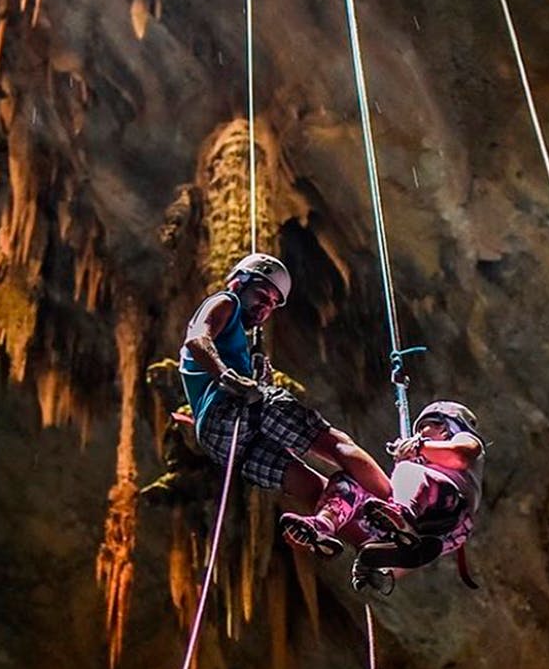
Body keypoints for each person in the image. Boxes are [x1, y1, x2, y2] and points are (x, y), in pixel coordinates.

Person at [179, 252, 391, 526]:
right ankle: (399, 506)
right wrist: (229, 377)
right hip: (233, 408)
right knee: (336, 444)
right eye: (261, 296)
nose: (265, 308)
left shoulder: (238, 346)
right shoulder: (225, 301)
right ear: (238, 283)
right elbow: (197, 338)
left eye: (272, 304)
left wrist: (257, 378)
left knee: (315, 488)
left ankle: (346, 534)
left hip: (217, 438)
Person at [280, 400, 485, 595]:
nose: (420, 434)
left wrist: (418, 448)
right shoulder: (420, 467)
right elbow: (416, 556)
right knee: (349, 483)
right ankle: (325, 525)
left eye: (425, 428)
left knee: (406, 470)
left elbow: (462, 454)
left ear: (445, 427)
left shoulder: (462, 439)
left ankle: (402, 517)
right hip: (431, 531)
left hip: (449, 504)